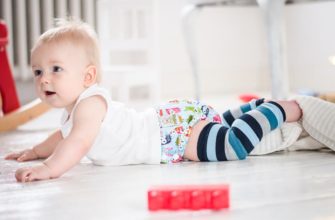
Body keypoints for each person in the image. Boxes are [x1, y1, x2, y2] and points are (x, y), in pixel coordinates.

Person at [5, 18, 302, 182]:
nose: (44, 79)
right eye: (38, 71)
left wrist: (49, 169)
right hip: (169, 123)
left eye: (56, 69)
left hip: (170, 136)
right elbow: (63, 136)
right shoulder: (75, 112)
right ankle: (248, 109)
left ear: (87, 76)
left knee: (232, 145)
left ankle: (276, 109)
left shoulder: (91, 104)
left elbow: (77, 143)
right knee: (217, 126)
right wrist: (35, 150)